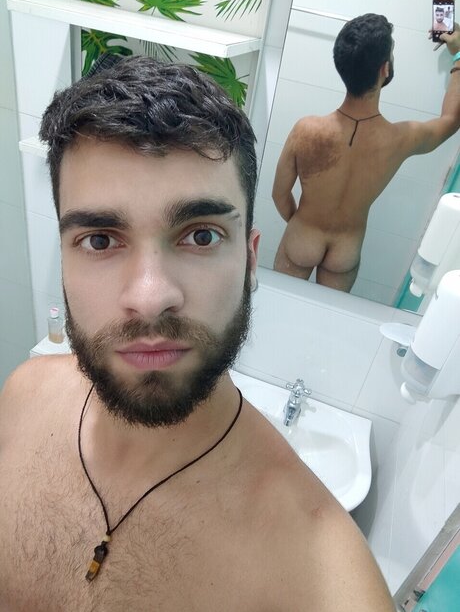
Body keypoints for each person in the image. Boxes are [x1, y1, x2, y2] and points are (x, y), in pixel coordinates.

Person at [0, 57, 395, 610]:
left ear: (251, 260)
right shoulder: (22, 397)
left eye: (201, 236)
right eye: (99, 240)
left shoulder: (326, 587)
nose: (150, 296)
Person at [272, 14, 460, 292]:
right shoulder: (401, 138)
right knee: (329, 318)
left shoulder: (306, 130)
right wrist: (458, 56)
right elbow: (451, 120)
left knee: (279, 307)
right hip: (346, 249)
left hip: (303, 237)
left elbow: (279, 194)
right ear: (385, 69)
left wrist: (301, 226)